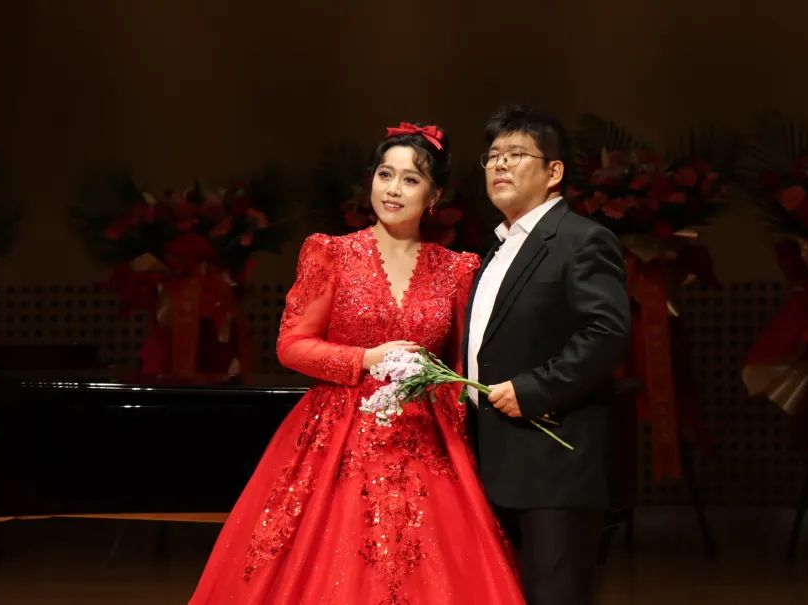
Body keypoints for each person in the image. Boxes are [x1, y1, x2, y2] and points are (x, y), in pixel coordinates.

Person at [189, 122, 526, 605]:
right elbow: (292, 345)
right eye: (385, 174)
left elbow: (461, 366)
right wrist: (367, 359)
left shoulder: (458, 269)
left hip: (426, 442)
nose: (393, 189)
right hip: (337, 434)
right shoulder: (331, 254)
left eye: (410, 179)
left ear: (434, 195)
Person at [464, 105, 632, 605]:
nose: (499, 164)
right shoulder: (495, 249)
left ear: (554, 171)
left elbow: (606, 333)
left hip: (554, 465)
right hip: (492, 465)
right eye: (493, 156)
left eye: (516, 154)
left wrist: (535, 389)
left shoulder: (582, 239)